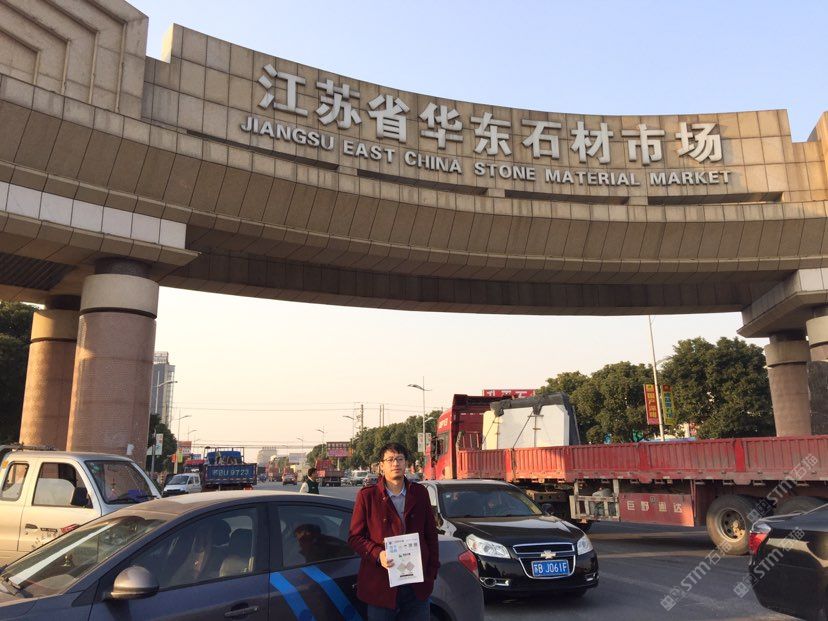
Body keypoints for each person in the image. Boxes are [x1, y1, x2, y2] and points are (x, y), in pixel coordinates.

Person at [349, 442, 439, 621]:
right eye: (390, 459)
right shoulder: (367, 496)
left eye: (400, 459)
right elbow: (355, 537)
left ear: (406, 463)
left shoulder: (420, 493)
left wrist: (431, 573)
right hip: (381, 585)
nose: (395, 463)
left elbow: (431, 535)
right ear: (381, 466)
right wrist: (378, 554)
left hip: (416, 585)